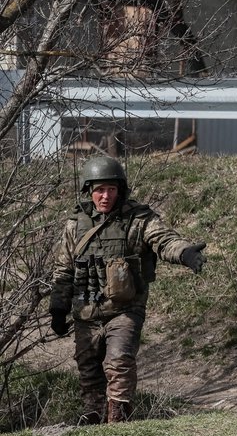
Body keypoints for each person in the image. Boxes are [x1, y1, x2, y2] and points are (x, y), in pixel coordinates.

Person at [48, 156, 207, 425]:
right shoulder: (75, 224)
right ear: (89, 191)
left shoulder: (138, 219)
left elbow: (164, 240)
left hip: (124, 310)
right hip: (86, 311)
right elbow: (63, 269)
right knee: (88, 369)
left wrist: (185, 253)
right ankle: (93, 417)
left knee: (119, 361)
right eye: (99, 189)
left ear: (120, 189)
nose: (105, 195)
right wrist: (57, 308)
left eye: (111, 189)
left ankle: (118, 420)